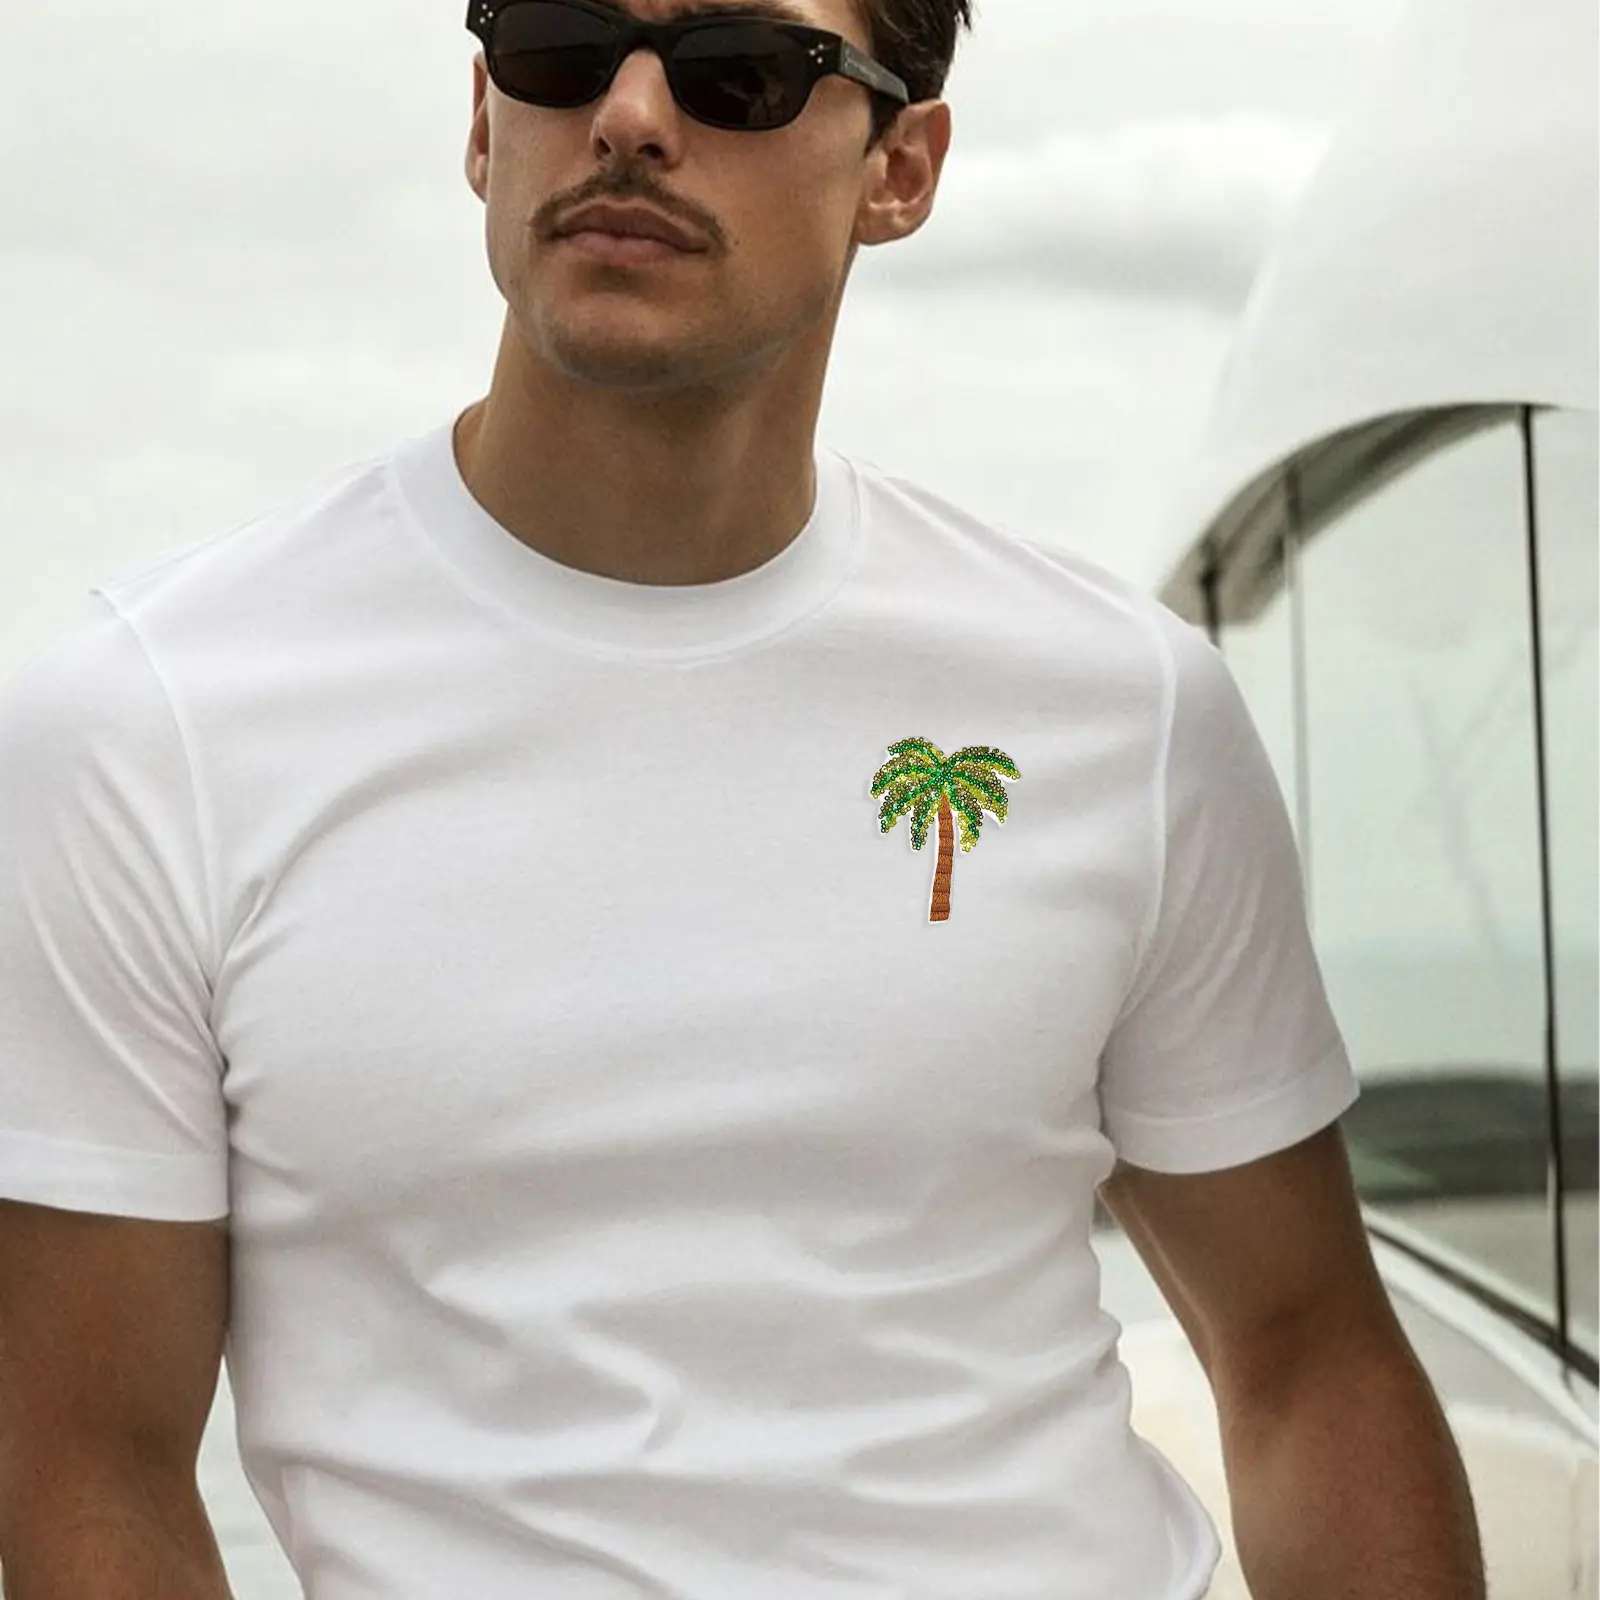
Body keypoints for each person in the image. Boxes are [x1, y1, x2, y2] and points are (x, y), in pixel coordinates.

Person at [0, 1, 1487, 1597]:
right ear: (485, 123)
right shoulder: (149, 722)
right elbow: (87, 1458)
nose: (631, 114)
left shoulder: (1126, 706)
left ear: (900, 168)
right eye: (562, 43)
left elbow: (1304, 1349)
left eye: (742, 73)